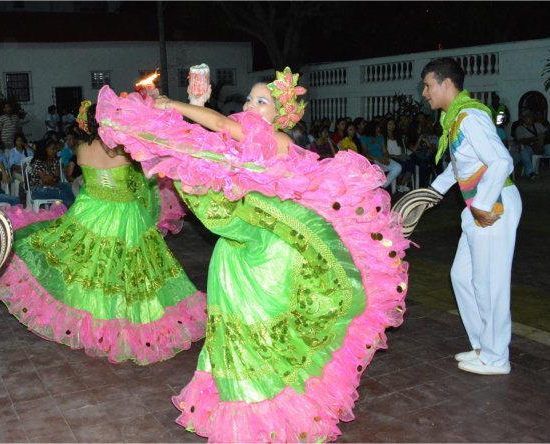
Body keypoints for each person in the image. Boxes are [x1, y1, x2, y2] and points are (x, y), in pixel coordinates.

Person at [96, 67, 410, 441]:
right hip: (240, 248)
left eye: (262, 102)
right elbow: (206, 142)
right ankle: (235, 406)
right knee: (233, 328)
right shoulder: (245, 141)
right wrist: (187, 109)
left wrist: (169, 105)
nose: (250, 106)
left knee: (259, 331)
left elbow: (217, 126)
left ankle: (266, 413)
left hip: (269, 254)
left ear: (280, 115)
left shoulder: (274, 139)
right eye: (249, 99)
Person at [0, 102, 206, 365]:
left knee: (88, 266)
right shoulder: (126, 150)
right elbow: (145, 176)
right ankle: (123, 324)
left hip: (90, 209)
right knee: (128, 269)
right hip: (125, 214)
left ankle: (94, 321)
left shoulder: (81, 149)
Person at [421, 57, 521, 375]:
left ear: (447, 83)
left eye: (428, 85)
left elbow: (501, 161)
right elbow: (459, 167)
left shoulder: (470, 117)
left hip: (492, 205)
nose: (424, 92)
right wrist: (429, 194)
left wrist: (484, 204)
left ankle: (497, 357)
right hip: (477, 206)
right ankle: (483, 347)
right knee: (462, 277)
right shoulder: (455, 119)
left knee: (489, 282)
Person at [516, 110, 550, 180]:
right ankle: (531, 173)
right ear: (524, 119)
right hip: (530, 147)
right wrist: (535, 139)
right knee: (523, 153)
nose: (531, 118)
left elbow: (547, 133)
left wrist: (542, 137)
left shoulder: (537, 125)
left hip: (542, 146)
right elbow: (521, 140)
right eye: (528, 117)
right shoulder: (519, 129)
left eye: (531, 117)